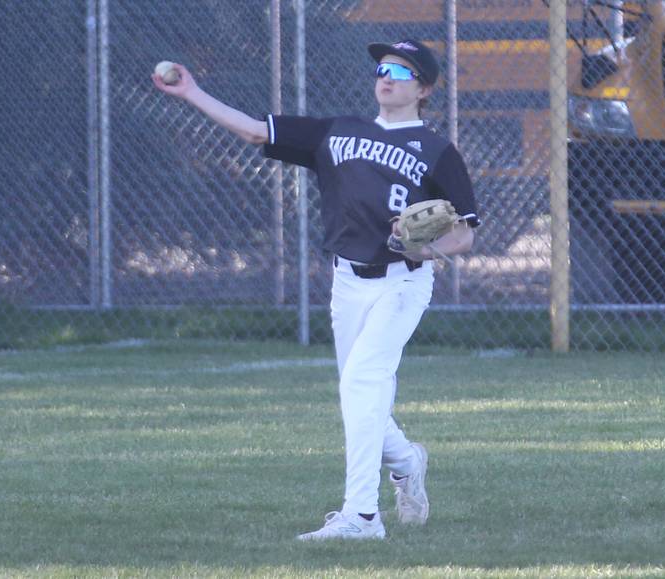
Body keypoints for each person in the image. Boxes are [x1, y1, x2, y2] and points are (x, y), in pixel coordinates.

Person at [152, 39, 479, 541]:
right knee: (359, 395)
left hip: (402, 283)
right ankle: (407, 460)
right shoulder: (338, 131)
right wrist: (193, 92)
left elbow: (465, 231)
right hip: (347, 283)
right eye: (382, 67)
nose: (386, 75)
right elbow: (255, 131)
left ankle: (362, 518)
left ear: (425, 88)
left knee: (361, 384)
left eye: (401, 70)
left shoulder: (437, 151)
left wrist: (427, 250)